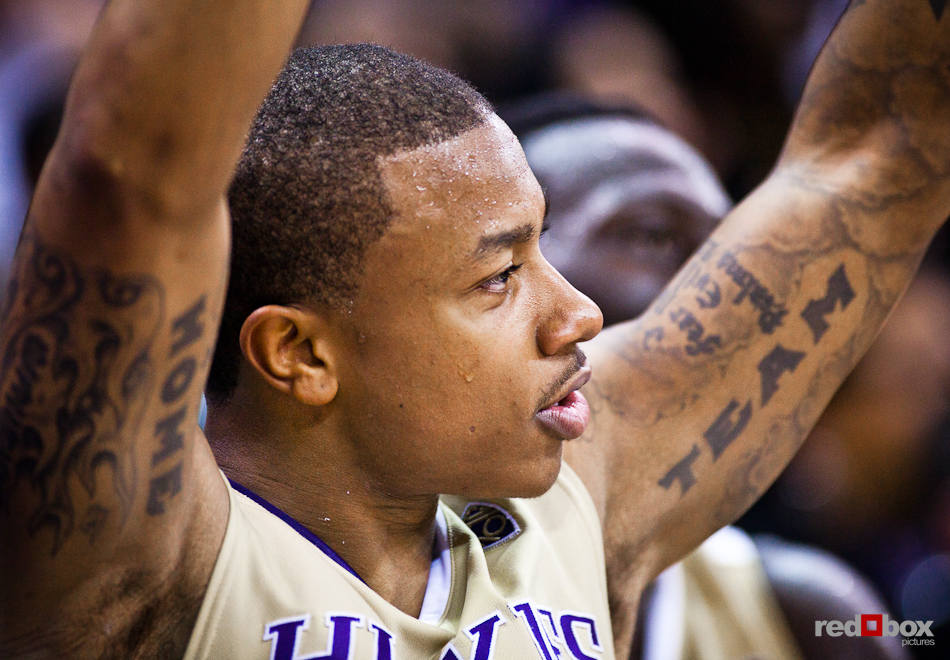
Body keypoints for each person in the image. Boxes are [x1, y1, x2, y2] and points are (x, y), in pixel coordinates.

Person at [2, 1, 950, 659]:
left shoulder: (582, 501)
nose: (578, 313)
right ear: (300, 354)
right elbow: (129, 180)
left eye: (544, 249)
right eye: (499, 278)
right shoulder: (138, 561)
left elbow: (878, 150)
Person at [504, 93, 907, 660]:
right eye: (653, 236)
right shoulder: (376, 586)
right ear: (496, 274)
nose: (724, 295)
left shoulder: (821, 617)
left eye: (728, 255)